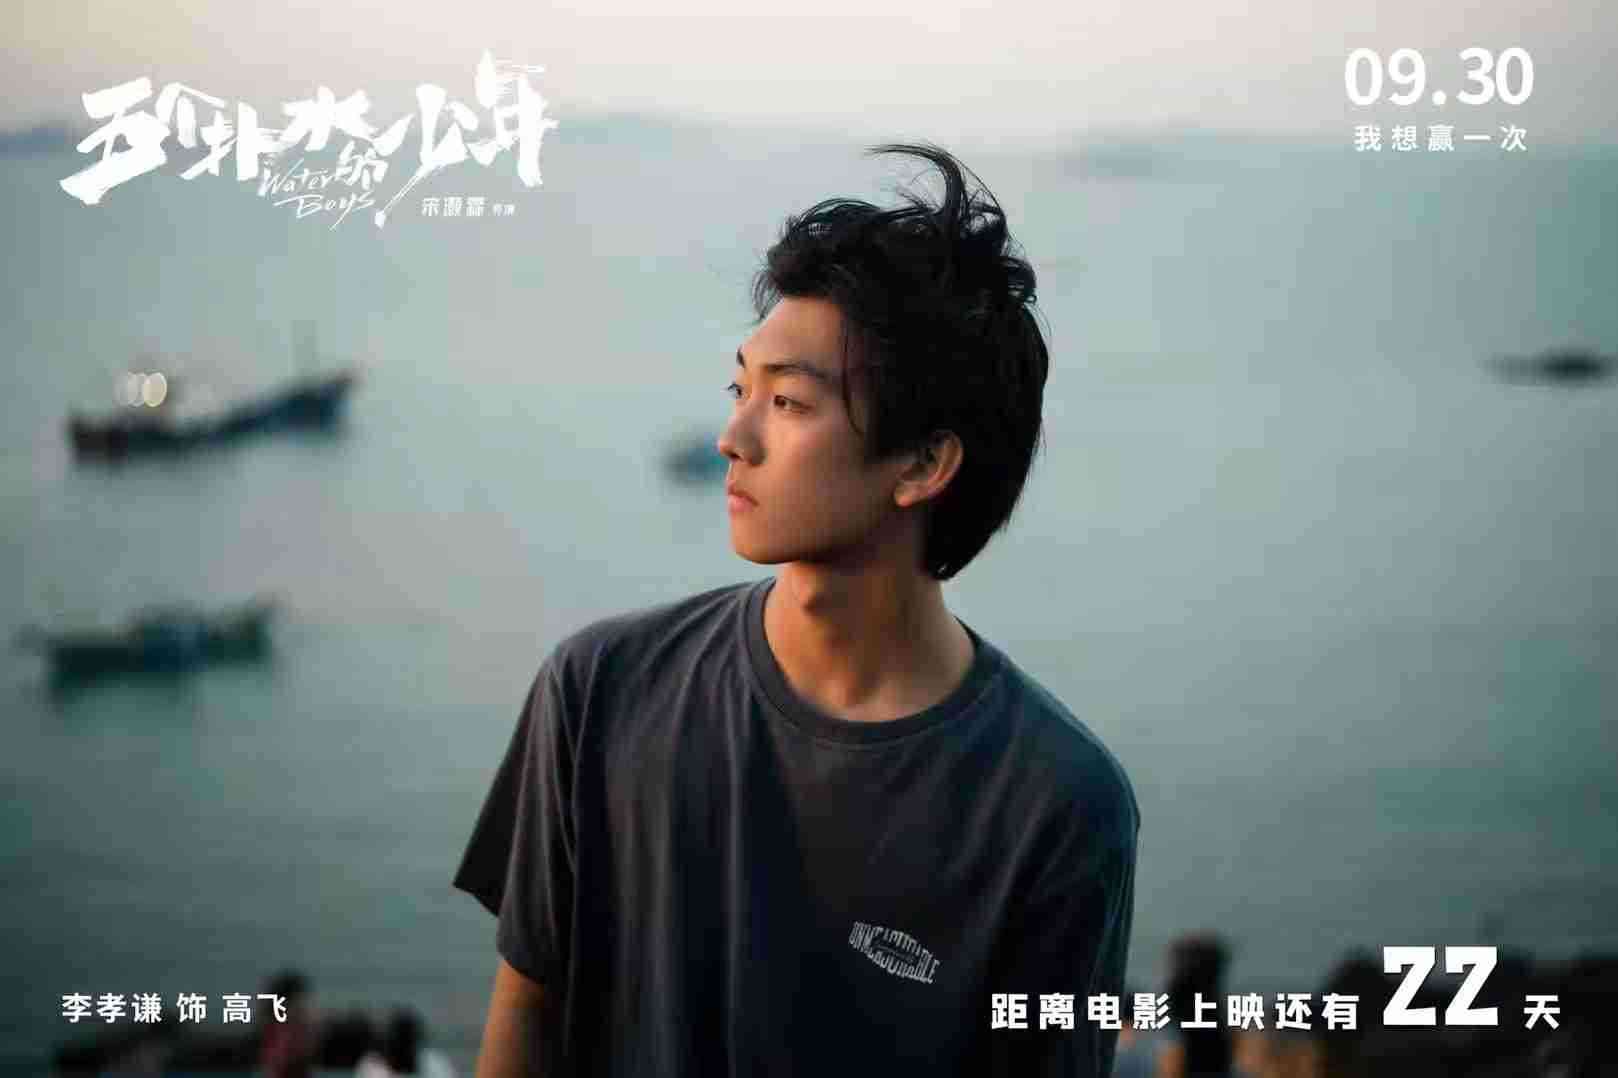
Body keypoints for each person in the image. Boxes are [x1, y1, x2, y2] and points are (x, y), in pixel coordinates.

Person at [453, 142, 1140, 1077]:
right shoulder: (599, 692)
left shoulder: (1054, 805)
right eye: (740, 389)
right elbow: (527, 1018)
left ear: (923, 463)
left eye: (786, 401)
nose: (732, 437)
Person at [354, 1008, 458, 1078]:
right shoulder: (372, 1066)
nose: (402, 1048)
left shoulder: (435, 1063)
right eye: (398, 1043)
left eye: (407, 1042)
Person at [258, 970, 316, 1078]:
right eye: (299, 1002)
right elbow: (279, 1063)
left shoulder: (291, 1031)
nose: (304, 1008)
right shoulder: (282, 1033)